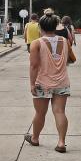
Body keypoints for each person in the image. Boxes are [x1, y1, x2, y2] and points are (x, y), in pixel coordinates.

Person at [26, 12, 71, 153]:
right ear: (55, 26)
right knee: (60, 112)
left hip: (42, 83)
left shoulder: (36, 43)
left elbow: (34, 66)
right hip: (62, 82)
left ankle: (35, 138)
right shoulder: (64, 41)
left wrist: (32, 84)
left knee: (40, 113)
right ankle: (61, 142)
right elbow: (67, 59)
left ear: (40, 27)